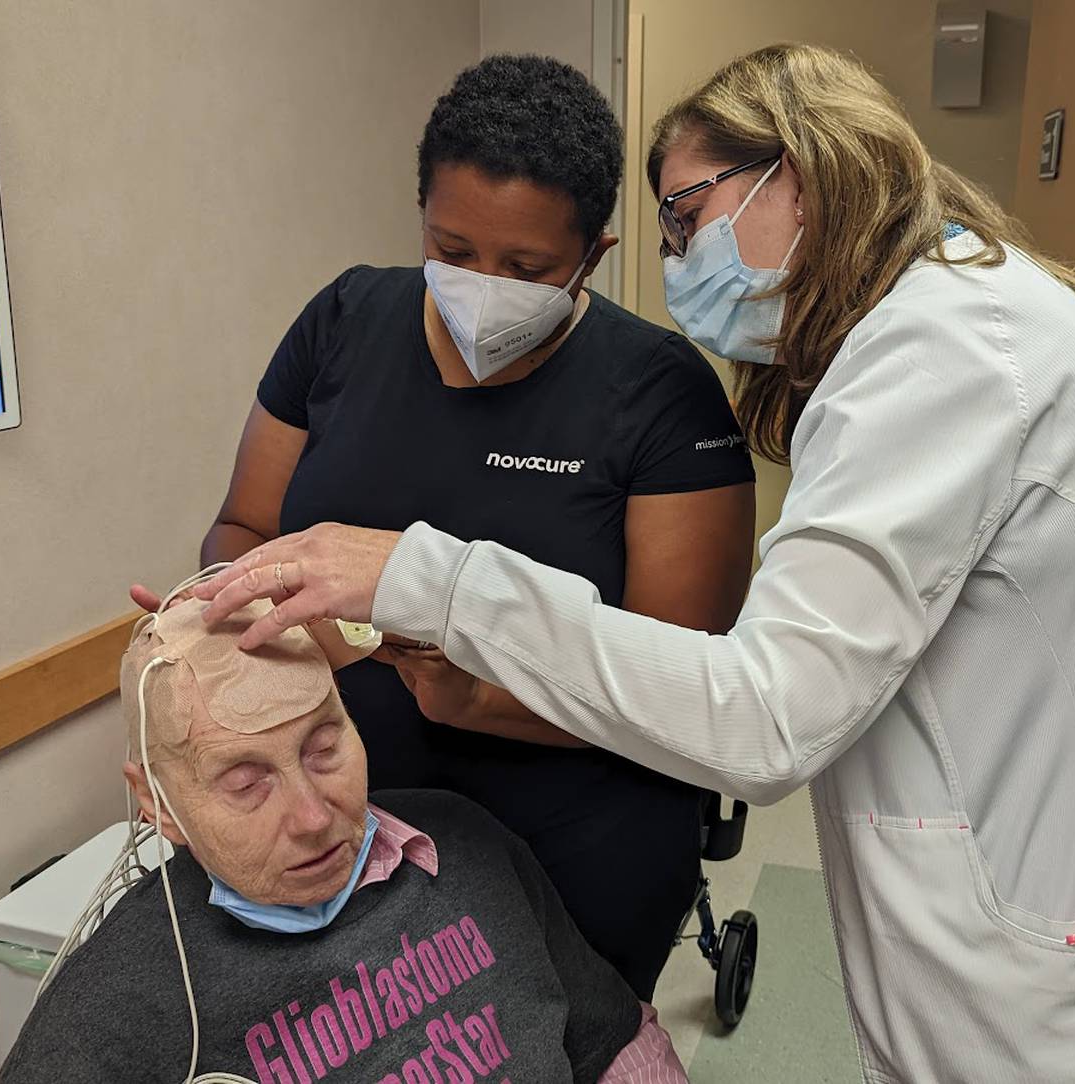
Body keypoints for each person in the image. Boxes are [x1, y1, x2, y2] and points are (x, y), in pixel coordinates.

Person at [194, 42, 1075, 1083]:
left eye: (688, 215)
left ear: (799, 166)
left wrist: (428, 578)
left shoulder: (947, 356)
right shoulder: (959, 326)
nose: (679, 260)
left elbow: (759, 717)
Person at [137, 54, 756, 1001]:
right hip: (340, 834)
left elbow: (683, 691)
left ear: (595, 251)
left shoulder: (659, 394)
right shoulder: (344, 321)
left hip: (571, 851)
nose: (481, 286)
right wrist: (228, 608)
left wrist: (472, 694)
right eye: (453, 251)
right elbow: (245, 524)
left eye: (526, 267)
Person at [1, 585, 685, 1084]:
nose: (314, 816)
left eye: (324, 748)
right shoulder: (123, 1002)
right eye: (246, 783)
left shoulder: (468, 845)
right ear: (160, 804)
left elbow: (615, 1044)